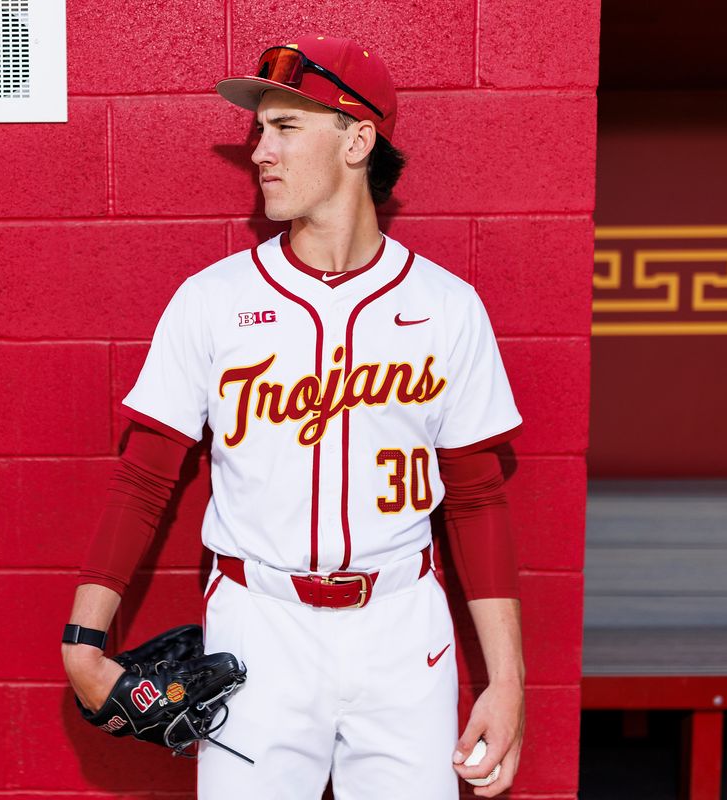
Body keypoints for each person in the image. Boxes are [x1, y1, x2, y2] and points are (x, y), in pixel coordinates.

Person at [61, 34, 526, 799]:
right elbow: (145, 478)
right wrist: (84, 641)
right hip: (259, 624)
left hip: (403, 629)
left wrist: (506, 682)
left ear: (359, 139)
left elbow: (476, 496)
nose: (259, 153)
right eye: (258, 130)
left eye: (284, 127)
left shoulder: (447, 308)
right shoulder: (210, 300)